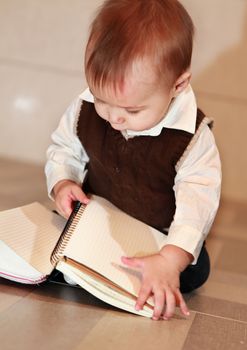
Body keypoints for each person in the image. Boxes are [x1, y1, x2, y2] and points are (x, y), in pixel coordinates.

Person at [45, 0, 221, 321]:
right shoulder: (86, 109)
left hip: (158, 237)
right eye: (101, 99)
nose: (114, 118)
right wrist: (63, 181)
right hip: (100, 220)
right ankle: (83, 266)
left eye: (132, 110)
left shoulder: (193, 139)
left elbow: (198, 205)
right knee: (52, 235)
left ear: (177, 85)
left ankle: (149, 272)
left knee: (194, 269)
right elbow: (63, 148)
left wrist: (171, 259)